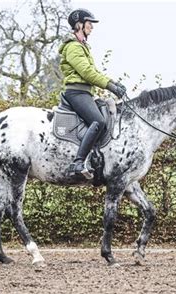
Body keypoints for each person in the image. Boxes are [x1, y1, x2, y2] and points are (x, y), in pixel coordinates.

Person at [59, 8, 127, 179]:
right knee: (98, 121)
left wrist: (113, 83)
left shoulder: (83, 47)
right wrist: (110, 87)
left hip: (85, 93)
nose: (92, 27)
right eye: (89, 23)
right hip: (76, 92)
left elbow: (94, 71)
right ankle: (78, 161)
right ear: (79, 25)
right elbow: (87, 73)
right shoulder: (73, 47)